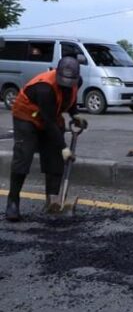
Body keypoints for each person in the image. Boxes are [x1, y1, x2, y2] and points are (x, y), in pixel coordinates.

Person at [5, 56, 88, 221]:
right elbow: (48, 122)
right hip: (27, 118)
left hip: (49, 116)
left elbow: (68, 100)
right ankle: (12, 201)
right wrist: (64, 148)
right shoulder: (45, 87)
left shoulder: (76, 82)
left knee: (55, 160)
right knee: (24, 156)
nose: (66, 85)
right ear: (57, 73)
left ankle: (52, 202)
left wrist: (75, 114)